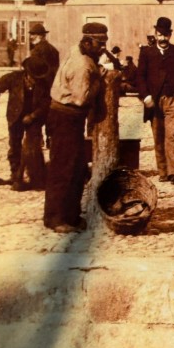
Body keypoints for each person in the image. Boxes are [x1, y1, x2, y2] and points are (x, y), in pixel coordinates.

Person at [43, 22, 107, 233]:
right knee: (64, 169)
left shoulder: (76, 51)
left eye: (105, 43)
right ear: (87, 42)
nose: (102, 48)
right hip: (66, 118)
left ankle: (70, 215)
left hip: (64, 117)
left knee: (77, 168)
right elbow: (81, 99)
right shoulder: (84, 66)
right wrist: (100, 80)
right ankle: (55, 218)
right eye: (99, 44)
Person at [137, 16, 174, 185]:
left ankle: (173, 173)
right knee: (158, 137)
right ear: (155, 34)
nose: (162, 39)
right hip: (153, 103)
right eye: (159, 35)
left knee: (173, 137)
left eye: (165, 35)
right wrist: (145, 96)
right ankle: (162, 171)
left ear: (170, 35)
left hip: (173, 100)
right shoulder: (147, 53)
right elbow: (140, 77)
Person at [0, 56, 50, 191]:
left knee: (32, 147)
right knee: (15, 146)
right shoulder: (14, 78)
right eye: (33, 77)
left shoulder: (44, 83)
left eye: (37, 78)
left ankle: (35, 177)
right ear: (27, 73)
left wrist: (33, 116)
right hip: (15, 116)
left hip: (34, 118)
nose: (35, 80)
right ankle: (16, 176)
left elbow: (47, 103)